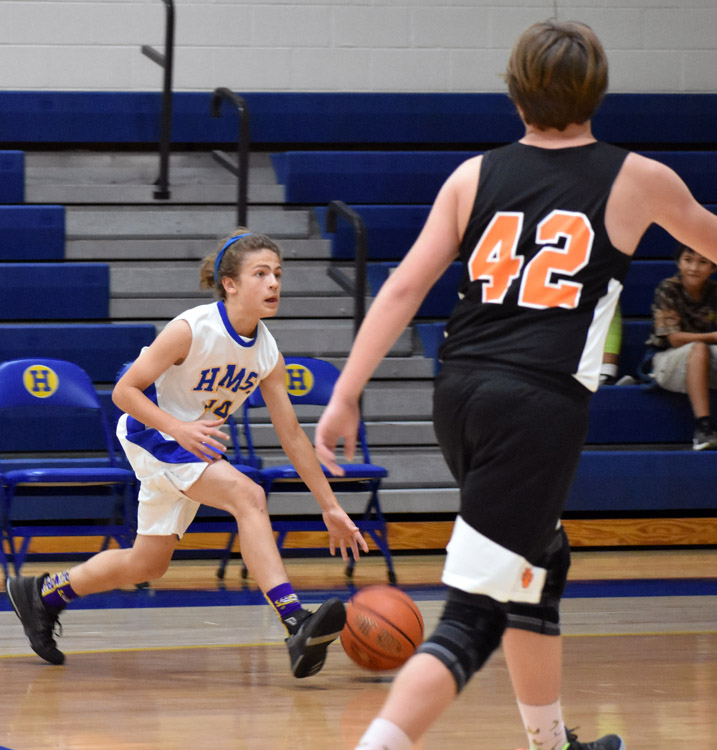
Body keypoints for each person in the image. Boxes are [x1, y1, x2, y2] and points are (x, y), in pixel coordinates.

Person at [314, 19, 717, 750]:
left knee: (538, 562)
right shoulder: (638, 178)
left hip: (458, 394)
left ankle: (550, 742)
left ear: (514, 94)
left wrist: (345, 394)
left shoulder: (471, 176)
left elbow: (402, 288)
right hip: (535, 407)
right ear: (598, 90)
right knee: (472, 618)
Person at [6, 228, 368, 677]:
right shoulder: (190, 329)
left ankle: (42, 595)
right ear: (230, 283)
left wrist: (330, 506)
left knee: (147, 563)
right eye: (261, 273)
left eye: (278, 273)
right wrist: (178, 428)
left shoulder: (268, 353)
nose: (274, 282)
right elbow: (123, 391)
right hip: (154, 435)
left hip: (193, 447)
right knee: (249, 495)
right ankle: (294, 620)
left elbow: (292, 434)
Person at [646, 242, 717, 449]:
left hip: (707, 357)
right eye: (688, 260)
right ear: (678, 263)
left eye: (703, 262)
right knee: (698, 348)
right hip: (667, 360)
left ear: (713, 267)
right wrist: (712, 336)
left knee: (701, 349)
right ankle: (703, 428)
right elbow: (674, 339)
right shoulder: (668, 289)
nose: (694, 268)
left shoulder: (715, 292)